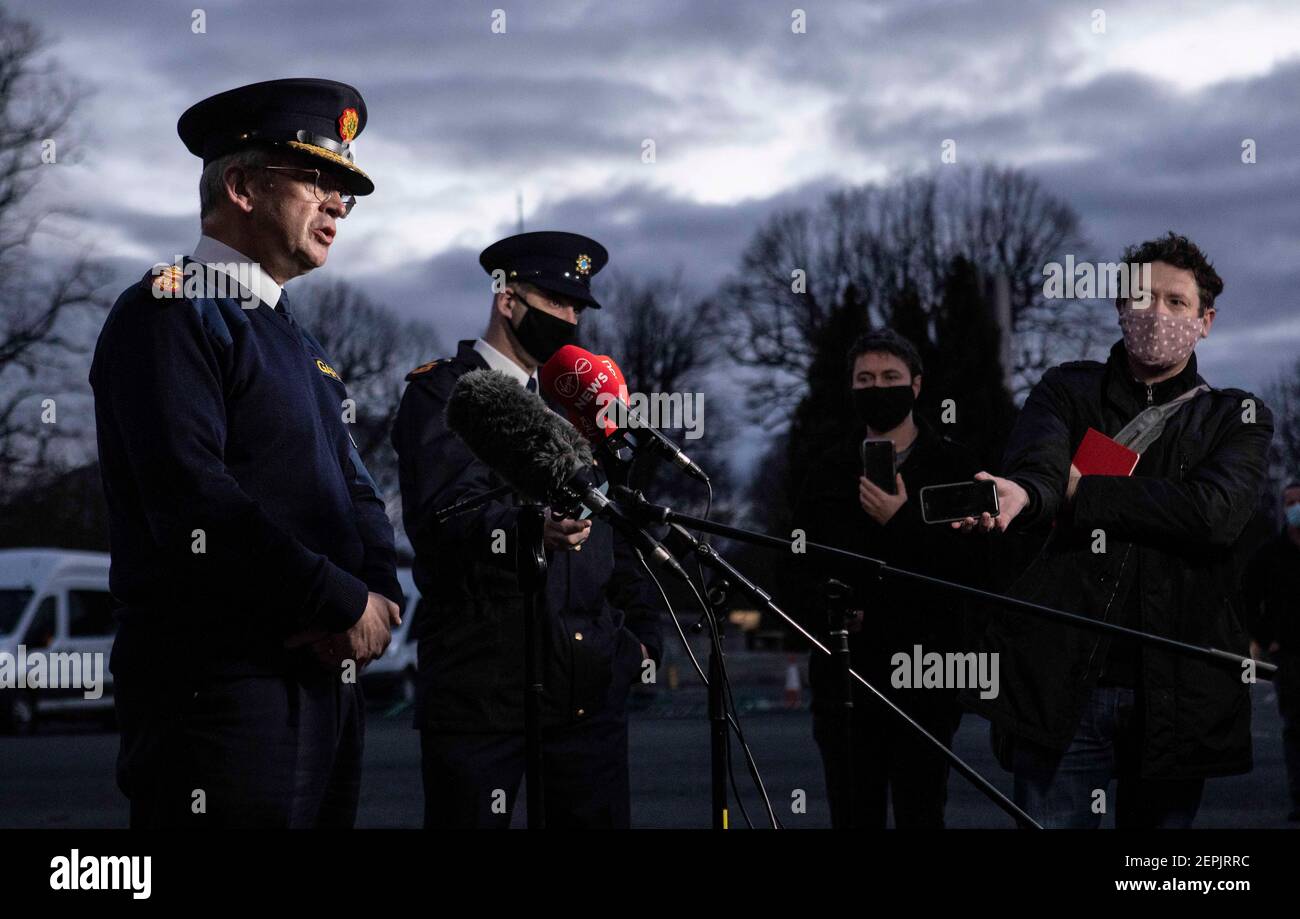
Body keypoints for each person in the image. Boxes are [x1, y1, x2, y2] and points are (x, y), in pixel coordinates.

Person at [90, 79, 402, 828]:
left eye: (346, 192)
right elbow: (193, 499)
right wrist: (339, 600)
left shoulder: (302, 343)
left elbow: (358, 492)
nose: (338, 204)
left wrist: (380, 593)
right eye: (317, 179)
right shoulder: (168, 308)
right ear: (241, 186)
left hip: (324, 685)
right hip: (221, 692)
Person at [958, 232, 1273, 828]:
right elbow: (1041, 473)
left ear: (1205, 321)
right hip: (1064, 689)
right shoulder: (1066, 389)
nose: (1158, 313)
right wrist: (1024, 494)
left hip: (1179, 694)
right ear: (1118, 308)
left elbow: (1213, 515)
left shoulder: (1237, 415)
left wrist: (1086, 492)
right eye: (1142, 297)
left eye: (1177, 302)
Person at [392, 231, 664, 828]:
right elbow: (445, 514)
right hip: (484, 691)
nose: (569, 318)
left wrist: (638, 640)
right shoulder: (443, 390)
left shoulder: (577, 405)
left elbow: (623, 534)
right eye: (555, 302)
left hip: (587, 692)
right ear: (506, 299)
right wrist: (528, 528)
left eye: (577, 308)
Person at [792, 328, 982, 828]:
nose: (878, 388)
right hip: (845, 680)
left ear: (916, 385)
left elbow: (971, 569)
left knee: (923, 811)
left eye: (890, 377)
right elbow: (793, 567)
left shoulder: (955, 466)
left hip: (926, 674)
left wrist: (900, 522)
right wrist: (826, 611)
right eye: (866, 379)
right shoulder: (826, 470)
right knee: (853, 813)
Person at [1243, 481, 1300, 821]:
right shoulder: (1270, 554)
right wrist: (1266, 640)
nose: (1294, 508)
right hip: (1291, 653)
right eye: (1290, 502)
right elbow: (1249, 598)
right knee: (1296, 726)